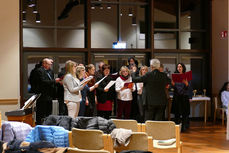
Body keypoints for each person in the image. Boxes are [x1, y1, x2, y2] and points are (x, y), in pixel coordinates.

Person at [36, 58, 61, 124]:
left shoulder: (50, 71)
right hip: (42, 95)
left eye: (50, 64)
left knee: (49, 113)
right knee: (41, 113)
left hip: (50, 95)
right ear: (44, 64)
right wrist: (54, 81)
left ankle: (48, 124)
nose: (50, 66)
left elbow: (51, 82)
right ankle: (41, 125)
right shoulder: (39, 71)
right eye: (49, 64)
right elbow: (43, 82)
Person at [171, 63, 192, 132]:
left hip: (184, 97)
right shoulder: (175, 76)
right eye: (178, 67)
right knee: (177, 113)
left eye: (180, 67)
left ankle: (184, 127)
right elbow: (173, 88)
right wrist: (173, 85)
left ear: (183, 68)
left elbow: (189, 88)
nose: (179, 68)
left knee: (184, 114)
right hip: (177, 97)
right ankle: (177, 128)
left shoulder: (186, 76)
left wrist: (186, 84)